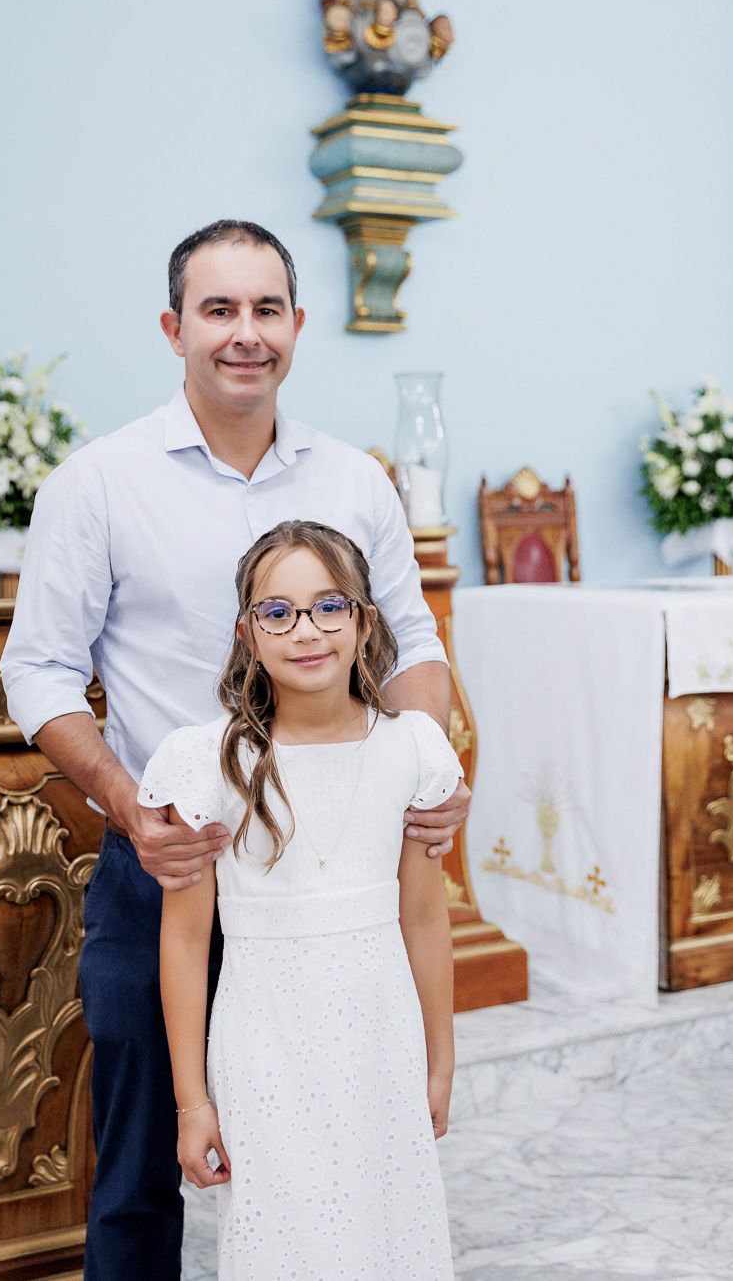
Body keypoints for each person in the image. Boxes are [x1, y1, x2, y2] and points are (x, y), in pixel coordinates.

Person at [0, 218, 470, 1280]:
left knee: (342, 1141)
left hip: (330, 888)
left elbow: (416, 647)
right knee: (139, 1164)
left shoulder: (354, 479)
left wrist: (422, 771)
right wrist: (130, 806)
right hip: (169, 865)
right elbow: (35, 672)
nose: (243, 333)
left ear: (297, 325)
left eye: (266, 309)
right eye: (218, 310)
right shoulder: (100, 481)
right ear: (174, 328)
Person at [151, 519, 457, 1278]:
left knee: (384, 1231)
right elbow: (186, 942)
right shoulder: (212, 761)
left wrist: (440, 1062)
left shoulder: (412, 748)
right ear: (247, 633)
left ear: (364, 621)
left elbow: (423, 917)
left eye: (330, 606)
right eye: (278, 612)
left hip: (381, 1035)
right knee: (285, 1237)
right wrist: (194, 1104)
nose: (306, 630)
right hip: (265, 1043)